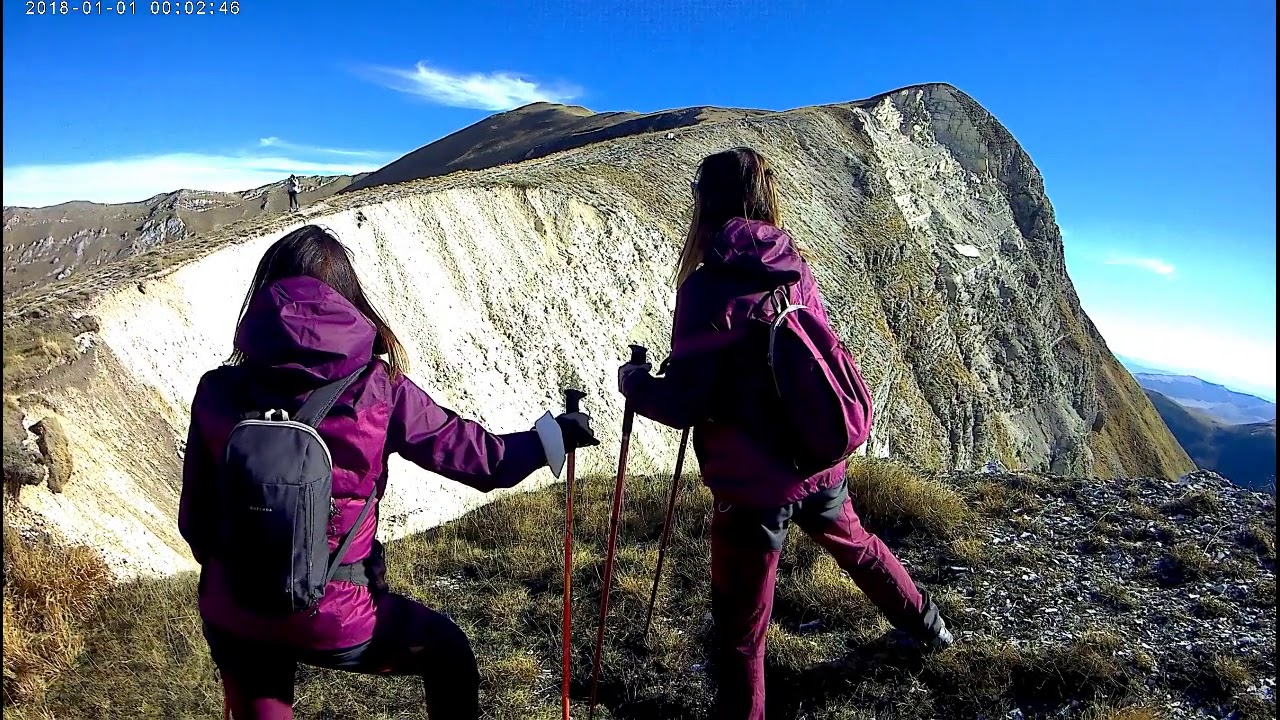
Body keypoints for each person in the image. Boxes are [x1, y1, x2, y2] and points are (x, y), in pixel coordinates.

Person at [178, 224, 600, 720]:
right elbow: (485, 462)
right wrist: (555, 436)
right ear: (348, 297)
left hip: (235, 604)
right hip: (334, 610)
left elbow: (196, 522)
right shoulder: (380, 389)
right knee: (448, 654)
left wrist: (247, 581)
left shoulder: (217, 390)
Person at [617, 147, 954, 719]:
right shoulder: (795, 267)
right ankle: (928, 627)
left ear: (707, 205)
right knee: (860, 548)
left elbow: (687, 401)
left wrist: (636, 384)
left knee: (743, 630)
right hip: (816, 453)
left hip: (752, 485)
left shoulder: (705, 287)